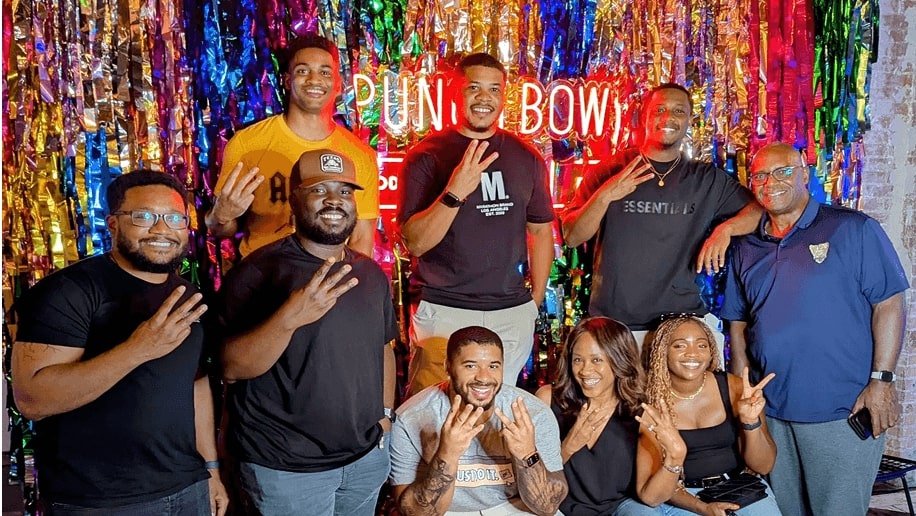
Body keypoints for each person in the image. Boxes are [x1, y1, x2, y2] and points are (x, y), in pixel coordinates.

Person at [11, 170, 228, 515]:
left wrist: (211, 470)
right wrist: (138, 349)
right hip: (102, 500)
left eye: (174, 218)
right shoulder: (68, 292)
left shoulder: (188, 295)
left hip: (188, 488)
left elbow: (197, 384)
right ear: (112, 224)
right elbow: (32, 400)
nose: (161, 229)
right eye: (143, 217)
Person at [721, 142, 909, 516]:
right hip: (772, 411)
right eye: (759, 175)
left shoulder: (852, 229)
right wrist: (743, 387)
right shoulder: (745, 247)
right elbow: (738, 325)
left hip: (841, 408)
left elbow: (889, 303)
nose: (769, 182)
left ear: (805, 174)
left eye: (783, 171)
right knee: (786, 510)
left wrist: (881, 381)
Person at [218, 149, 398, 515]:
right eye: (320, 190)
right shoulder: (259, 272)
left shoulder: (370, 274)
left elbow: (383, 349)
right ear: (294, 199)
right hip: (287, 469)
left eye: (345, 192)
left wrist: (384, 417)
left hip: (364, 461)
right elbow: (230, 368)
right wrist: (289, 317)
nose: (335, 200)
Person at [560, 83, 763, 360]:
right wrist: (606, 195)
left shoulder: (705, 179)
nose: (668, 117)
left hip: (679, 326)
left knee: (687, 402)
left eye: (679, 111)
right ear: (645, 117)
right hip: (615, 326)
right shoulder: (611, 169)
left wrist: (727, 229)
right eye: (660, 110)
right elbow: (572, 236)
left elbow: (760, 210)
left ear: (689, 121)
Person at [398, 53, 556, 396]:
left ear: (503, 96)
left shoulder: (525, 157)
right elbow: (416, 243)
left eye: (494, 89)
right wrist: (454, 191)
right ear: (457, 92)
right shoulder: (427, 155)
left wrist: (535, 301)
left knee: (497, 415)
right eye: (474, 88)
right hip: (444, 308)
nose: (485, 98)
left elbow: (542, 230)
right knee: (434, 410)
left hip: (510, 312)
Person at [206, 33, 379, 258]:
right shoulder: (247, 143)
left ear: (338, 85)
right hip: (264, 277)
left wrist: (350, 286)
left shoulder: (359, 155)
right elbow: (221, 228)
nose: (314, 79)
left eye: (325, 72)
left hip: (327, 280)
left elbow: (361, 239)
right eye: (303, 71)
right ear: (287, 81)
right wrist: (221, 216)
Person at [389, 326, 568, 515]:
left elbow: (547, 507)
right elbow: (415, 513)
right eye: (470, 365)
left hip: (514, 506)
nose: (484, 377)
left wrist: (527, 454)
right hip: (449, 511)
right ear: (447, 367)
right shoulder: (411, 418)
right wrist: (447, 454)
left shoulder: (533, 413)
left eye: (493, 366)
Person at [535, 317, 686, 515]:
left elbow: (651, 498)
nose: (585, 370)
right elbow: (532, 481)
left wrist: (676, 457)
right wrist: (568, 446)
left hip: (619, 509)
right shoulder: (547, 400)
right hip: (559, 508)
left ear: (619, 360)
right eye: (578, 360)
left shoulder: (642, 414)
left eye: (597, 360)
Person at [637, 315, 780, 516]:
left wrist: (750, 423)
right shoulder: (651, 403)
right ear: (663, 352)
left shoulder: (735, 388)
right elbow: (651, 493)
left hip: (738, 487)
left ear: (711, 350)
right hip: (682, 496)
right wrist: (701, 507)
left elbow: (763, 465)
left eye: (701, 345)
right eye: (679, 346)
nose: (692, 354)